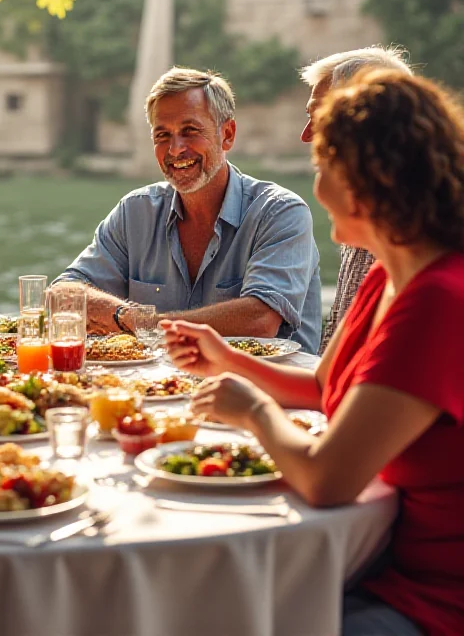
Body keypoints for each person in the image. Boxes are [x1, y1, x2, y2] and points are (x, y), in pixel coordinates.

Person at [164, 70, 464, 635]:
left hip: (430, 599)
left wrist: (252, 413)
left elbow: (327, 481)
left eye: (325, 165)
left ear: (368, 181)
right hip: (371, 561)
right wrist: (225, 358)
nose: (316, 184)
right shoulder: (388, 276)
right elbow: (328, 390)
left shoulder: (438, 301)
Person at [56, 67, 322, 353]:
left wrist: (146, 325)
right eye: (162, 135)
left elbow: (259, 320)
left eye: (190, 131)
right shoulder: (135, 212)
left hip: (268, 393)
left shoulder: (280, 212)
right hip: (163, 391)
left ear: (228, 134)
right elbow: (62, 295)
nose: (175, 149)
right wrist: (128, 317)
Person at [300, 45, 413, 351]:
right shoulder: (367, 230)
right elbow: (333, 370)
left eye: (320, 116)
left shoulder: (417, 265)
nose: (307, 135)